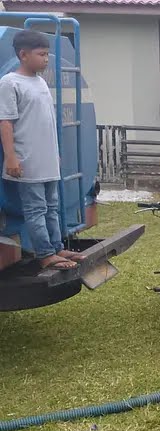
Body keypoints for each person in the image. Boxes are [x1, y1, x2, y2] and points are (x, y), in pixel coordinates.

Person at [0, 30, 85, 271]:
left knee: (52, 206)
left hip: (47, 160)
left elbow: (46, 121)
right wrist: (11, 157)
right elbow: (5, 122)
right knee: (35, 209)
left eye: (47, 54)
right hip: (27, 161)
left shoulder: (39, 82)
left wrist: (54, 152)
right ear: (23, 55)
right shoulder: (9, 83)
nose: (46, 59)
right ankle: (45, 254)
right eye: (41, 54)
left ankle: (57, 247)